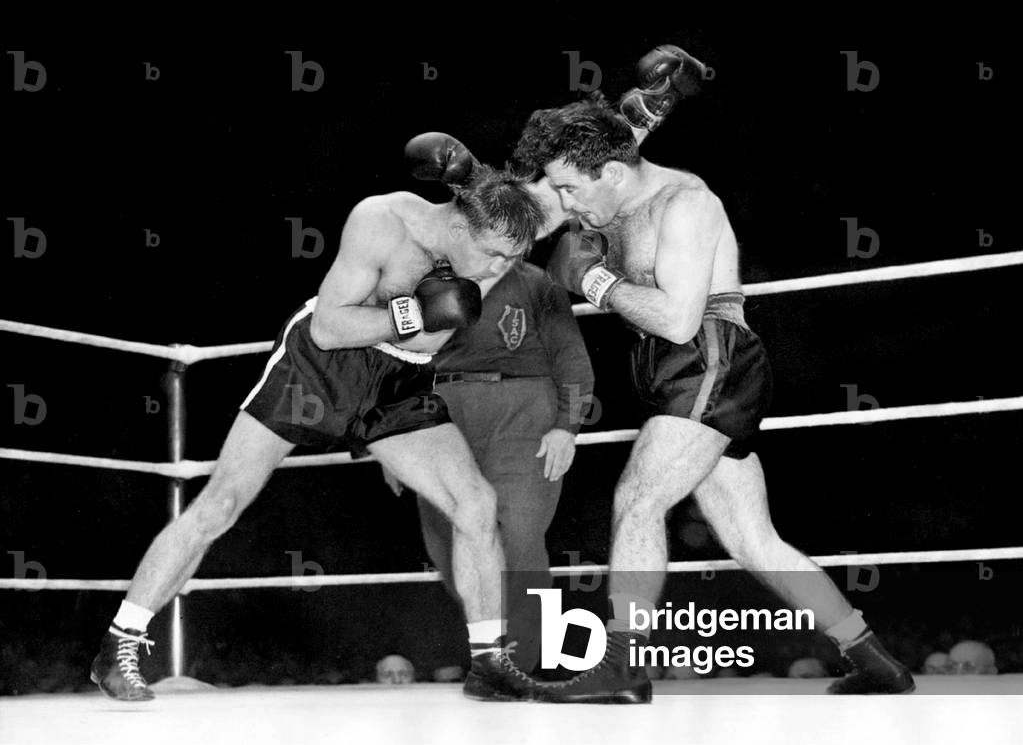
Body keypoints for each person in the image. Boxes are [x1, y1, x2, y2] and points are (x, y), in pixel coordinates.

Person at [89, 158, 546, 703]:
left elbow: (562, 194)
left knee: (475, 502)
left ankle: (489, 661)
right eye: (493, 252)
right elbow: (330, 330)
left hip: (397, 381)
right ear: (457, 227)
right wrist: (414, 315)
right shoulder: (381, 221)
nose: (497, 267)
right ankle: (119, 645)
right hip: (319, 369)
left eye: (509, 257)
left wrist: (643, 116)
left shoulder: (491, 240)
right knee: (221, 504)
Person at [512, 85, 915, 701]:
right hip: (674, 369)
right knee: (754, 539)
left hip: (709, 355)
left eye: (572, 188)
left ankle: (623, 665)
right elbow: (535, 215)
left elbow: (677, 319)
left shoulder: (685, 204)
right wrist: (630, 122)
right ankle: (872, 657)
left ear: (614, 173)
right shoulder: (605, 194)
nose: (564, 201)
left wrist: (593, 278)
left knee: (639, 499)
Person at [382, 220, 594, 673]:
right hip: (437, 411)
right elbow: (391, 359)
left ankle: (525, 662)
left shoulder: (537, 283)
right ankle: (490, 652)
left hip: (522, 411)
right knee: (445, 537)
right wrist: (388, 439)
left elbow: (572, 356)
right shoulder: (426, 284)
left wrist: (567, 426)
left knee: (519, 534)